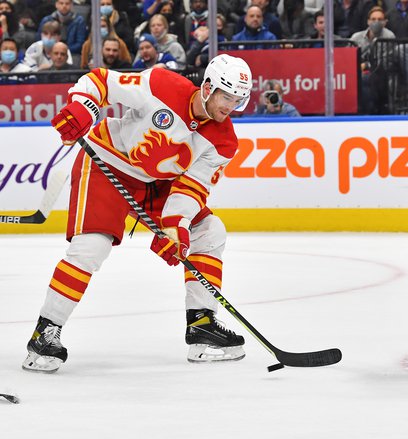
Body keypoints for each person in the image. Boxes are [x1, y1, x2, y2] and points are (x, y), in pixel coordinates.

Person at [22, 53, 253, 373]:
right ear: (208, 87)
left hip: (157, 184)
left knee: (209, 232)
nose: (230, 107)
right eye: (227, 97)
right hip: (108, 164)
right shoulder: (161, 84)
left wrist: (175, 227)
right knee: (91, 247)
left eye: (238, 101)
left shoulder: (224, 141)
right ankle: (44, 334)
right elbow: (101, 81)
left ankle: (201, 325)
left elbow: (192, 188)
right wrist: (82, 106)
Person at [350, 6, 395, 115]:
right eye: (373, 19)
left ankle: (368, 113)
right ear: (368, 21)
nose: (376, 22)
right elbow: (349, 59)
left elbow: (384, 62)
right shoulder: (356, 37)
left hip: (380, 74)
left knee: (366, 80)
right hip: (356, 72)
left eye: (380, 20)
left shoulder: (389, 36)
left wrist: (365, 65)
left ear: (385, 22)